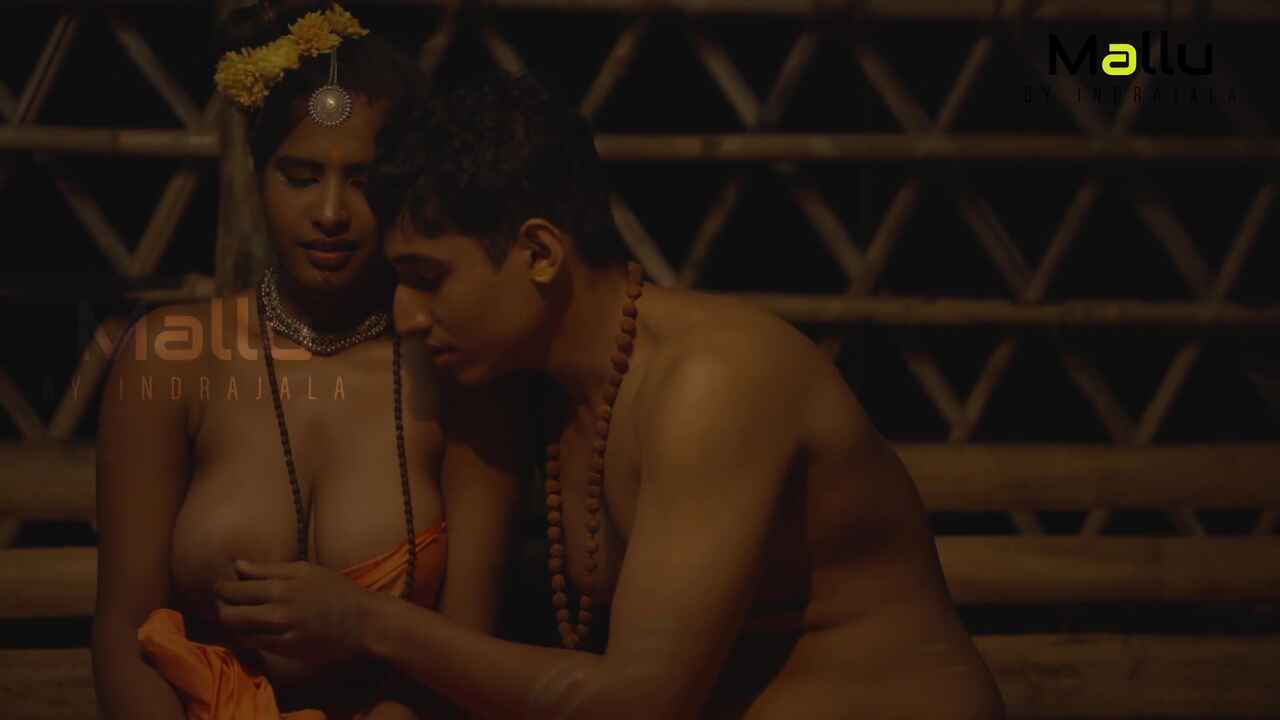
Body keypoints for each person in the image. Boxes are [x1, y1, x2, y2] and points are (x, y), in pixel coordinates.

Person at [213, 71, 1005, 718]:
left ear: (540, 253)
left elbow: (640, 704)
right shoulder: (548, 390)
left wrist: (367, 622)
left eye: (429, 278)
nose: (408, 316)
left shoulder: (714, 383)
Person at [91, 5, 522, 718]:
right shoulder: (171, 358)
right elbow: (124, 630)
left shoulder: (454, 368)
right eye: (299, 176)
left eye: (364, 181)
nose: (329, 212)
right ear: (258, 178)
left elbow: (471, 649)